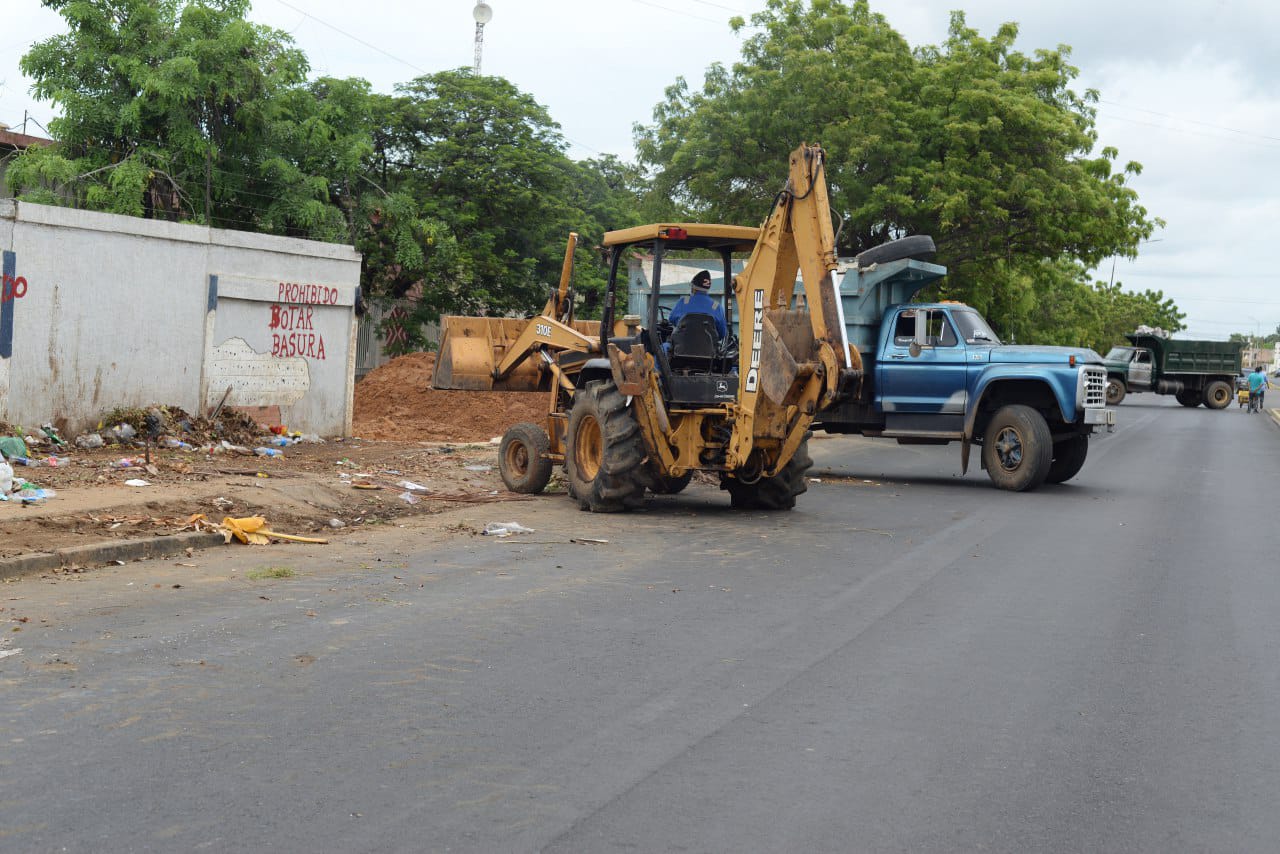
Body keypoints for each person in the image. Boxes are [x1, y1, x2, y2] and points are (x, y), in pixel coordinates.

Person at [667, 269, 727, 341]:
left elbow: (672, 319)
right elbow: (722, 333)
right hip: (709, 351)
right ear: (708, 288)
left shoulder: (683, 301)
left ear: (693, 288)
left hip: (682, 349)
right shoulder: (716, 306)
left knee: (664, 346)